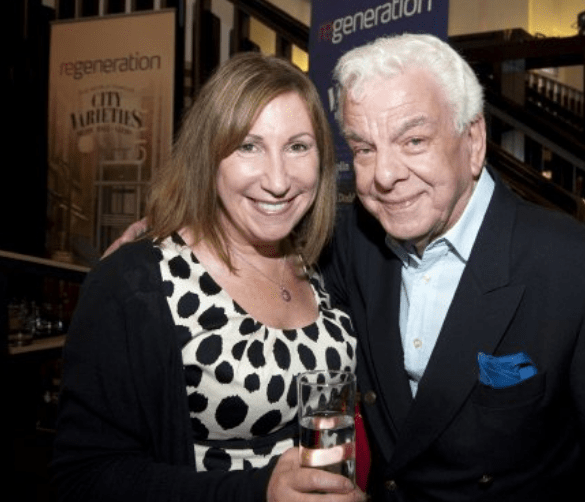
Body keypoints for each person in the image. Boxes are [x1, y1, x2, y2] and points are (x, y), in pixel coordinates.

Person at [321, 33, 585, 501]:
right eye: (364, 148)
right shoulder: (353, 242)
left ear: (473, 142)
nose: (384, 175)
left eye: (413, 140)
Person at [51, 53, 365, 502]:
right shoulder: (134, 286)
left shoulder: (324, 259)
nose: (278, 180)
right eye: (248, 146)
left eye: (298, 146)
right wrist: (259, 492)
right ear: (208, 156)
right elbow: (84, 477)